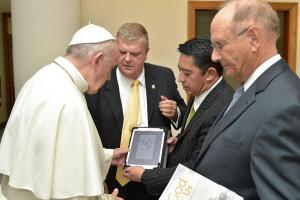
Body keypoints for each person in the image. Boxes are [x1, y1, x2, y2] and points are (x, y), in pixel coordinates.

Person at [0, 24, 128, 200]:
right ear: (97, 60)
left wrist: (108, 155)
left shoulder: (41, 78)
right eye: (112, 68)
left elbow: (45, 151)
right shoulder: (70, 102)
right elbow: (72, 193)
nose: (109, 77)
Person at [190, 0, 300, 199]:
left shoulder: (285, 106)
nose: (214, 56)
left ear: (254, 38)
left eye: (220, 45)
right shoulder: (249, 88)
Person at [122, 36, 234, 198]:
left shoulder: (222, 107)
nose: (180, 78)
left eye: (187, 73)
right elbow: (195, 133)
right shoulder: (199, 91)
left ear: (210, 74)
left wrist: (145, 176)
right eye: (180, 70)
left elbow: (199, 166)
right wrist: (179, 143)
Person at [85, 23, 186, 200]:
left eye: (135, 54)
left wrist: (175, 112)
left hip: (152, 178)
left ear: (146, 53)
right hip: (111, 178)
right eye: (122, 52)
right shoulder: (99, 81)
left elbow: (184, 113)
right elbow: (86, 134)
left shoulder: (163, 76)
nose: (127, 59)